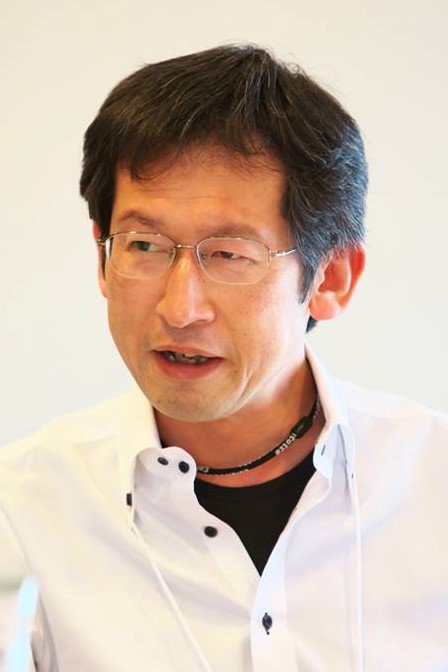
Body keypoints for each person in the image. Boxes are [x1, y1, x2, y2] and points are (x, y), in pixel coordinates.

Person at [0, 44, 447, 672]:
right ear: (102, 256)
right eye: (144, 245)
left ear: (331, 278)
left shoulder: (431, 487)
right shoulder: (21, 514)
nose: (179, 308)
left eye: (230, 255)